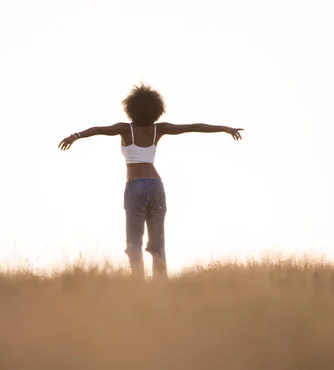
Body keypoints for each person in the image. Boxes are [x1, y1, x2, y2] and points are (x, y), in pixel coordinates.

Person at [58, 84, 243, 280]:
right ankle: (160, 285)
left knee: (134, 243)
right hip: (156, 186)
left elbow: (97, 129)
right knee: (157, 242)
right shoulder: (159, 129)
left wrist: (75, 136)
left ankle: (138, 284)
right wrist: (225, 129)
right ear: (156, 110)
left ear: (131, 108)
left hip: (135, 186)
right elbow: (194, 127)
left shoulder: (125, 128)